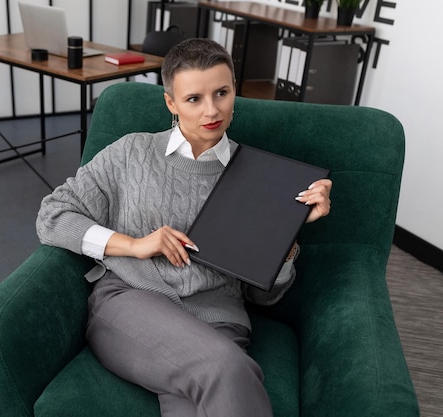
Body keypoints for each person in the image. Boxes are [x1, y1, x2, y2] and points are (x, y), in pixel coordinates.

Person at [36, 38, 332, 417]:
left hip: (219, 321)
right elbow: (52, 216)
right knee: (226, 368)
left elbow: (265, 297)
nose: (212, 110)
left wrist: (288, 231)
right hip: (131, 302)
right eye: (194, 99)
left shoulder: (263, 178)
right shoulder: (131, 153)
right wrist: (134, 245)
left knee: (197, 400)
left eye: (222, 93)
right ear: (171, 103)